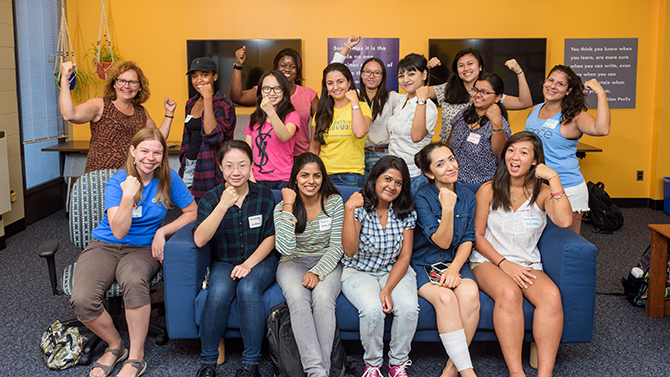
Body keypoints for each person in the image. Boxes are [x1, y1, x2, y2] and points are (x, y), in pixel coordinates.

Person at [69, 127, 197, 377]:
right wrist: (128, 197)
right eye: (145, 151)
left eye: (157, 152)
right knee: (82, 299)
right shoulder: (119, 181)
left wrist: (162, 232)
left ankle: (136, 357)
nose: (151, 157)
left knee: (134, 281)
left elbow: (192, 212)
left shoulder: (169, 179)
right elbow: (118, 231)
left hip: (142, 248)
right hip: (104, 245)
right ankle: (116, 345)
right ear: (133, 151)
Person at [470, 131, 573, 377]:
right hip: (489, 260)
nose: (515, 157)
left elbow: (565, 221)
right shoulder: (489, 189)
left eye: (524, 153)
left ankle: (544, 374)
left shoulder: (543, 192)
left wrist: (554, 178)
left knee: (551, 296)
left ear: (535, 161)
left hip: (527, 262)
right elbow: (477, 237)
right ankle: (517, 373)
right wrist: (504, 264)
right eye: (511, 151)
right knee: (508, 293)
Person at [193, 140, 276, 377]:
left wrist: (248, 264)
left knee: (248, 289)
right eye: (229, 166)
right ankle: (207, 362)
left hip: (260, 260)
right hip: (224, 260)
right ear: (220, 167)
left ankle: (251, 364)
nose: (236, 172)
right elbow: (199, 240)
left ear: (252, 166)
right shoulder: (211, 198)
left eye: (242, 165)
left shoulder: (264, 195)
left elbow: (271, 237)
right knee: (217, 294)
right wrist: (222, 206)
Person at [341, 156, 418, 377]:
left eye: (398, 182)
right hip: (358, 269)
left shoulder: (406, 211)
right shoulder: (358, 206)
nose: (392, 186)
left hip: (392, 269)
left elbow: (404, 257)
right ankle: (373, 365)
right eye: (387, 179)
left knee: (409, 310)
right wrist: (349, 210)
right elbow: (349, 251)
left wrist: (387, 289)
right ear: (374, 179)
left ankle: (397, 363)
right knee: (373, 310)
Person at [412, 143, 479, 377]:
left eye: (451, 159)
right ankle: (469, 372)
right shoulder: (421, 196)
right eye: (440, 164)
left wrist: (454, 268)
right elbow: (441, 241)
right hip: (424, 263)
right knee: (445, 297)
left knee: (470, 293)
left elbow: (468, 239)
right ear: (430, 173)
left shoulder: (468, 196)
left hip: (455, 261)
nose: (450, 167)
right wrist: (448, 208)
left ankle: (451, 369)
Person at [274, 152, 344, 377]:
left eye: (316, 176)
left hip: (326, 261)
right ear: (295, 178)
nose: (310, 181)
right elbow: (285, 248)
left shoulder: (334, 202)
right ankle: (317, 371)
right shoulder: (283, 208)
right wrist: (287, 205)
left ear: (323, 178)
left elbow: (337, 246)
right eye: (304, 175)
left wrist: (317, 271)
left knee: (323, 300)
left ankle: (320, 371)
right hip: (292, 262)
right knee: (299, 300)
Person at [524, 65, 611, 234]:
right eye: (550, 80)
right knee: (537, 239)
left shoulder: (575, 116)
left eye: (560, 84)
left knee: (567, 243)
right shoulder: (534, 110)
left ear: (569, 90)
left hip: (566, 187)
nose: (552, 86)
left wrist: (601, 93)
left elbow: (602, 129)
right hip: (536, 186)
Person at [59, 61, 176, 173]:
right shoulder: (100, 105)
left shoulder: (141, 112)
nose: (126, 86)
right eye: (122, 81)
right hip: (101, 177)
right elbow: (69, 114)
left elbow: (157, 139)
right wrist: (65, 79)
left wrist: (169, 113)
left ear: (140, 87)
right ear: (114, 84)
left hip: (131, 177)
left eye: (132, 82)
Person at [331, 36, 404, 177]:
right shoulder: (352, 96)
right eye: (367, 72)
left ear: (382, 77)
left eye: (377, 73)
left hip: (382, 156)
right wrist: (347, 47)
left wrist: (427, 69)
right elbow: (332, 72)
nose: (372, 76)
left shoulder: (393, 98)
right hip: (355, 155)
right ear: (361, 75)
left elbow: (415, 93)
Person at [426, 48, 531, 143]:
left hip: (479, 155)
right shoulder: (446, 89)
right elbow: (418, 91)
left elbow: (525, 103)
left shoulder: (490, 94)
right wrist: (426, 68)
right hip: (448, 151)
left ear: (480, 67)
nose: (466, 68)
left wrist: (519, 72)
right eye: (461, 65)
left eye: (470, 63)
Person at [231, 47, 318, 157]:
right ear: (276, 68)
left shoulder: (309, 95)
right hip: (272, 157)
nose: (287, 69)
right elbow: (237, 97)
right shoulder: (265, 91)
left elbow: (321, 125)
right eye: (283, 66)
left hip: (301, 156)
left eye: (293, 67)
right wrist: (238, 66)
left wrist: (312, 153)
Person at [180, 57, 236, 202]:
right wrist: (184, 162)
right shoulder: (190, 103)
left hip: (210, 168)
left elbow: (213, 136)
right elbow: (187, 138)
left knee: (208, 211)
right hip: (189, 165)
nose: (199, 80)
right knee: (189, 212)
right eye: (195, 76)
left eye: (204, 75)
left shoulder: (224, 104)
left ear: (215, 76)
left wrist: (207, 98)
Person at [309, 63, 372, 187]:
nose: (335, 87)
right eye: (330, 83)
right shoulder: (321, 112)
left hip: (351, 176)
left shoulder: (362, 107)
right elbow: (314, 147)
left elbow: (359, 132)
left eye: (340, 81)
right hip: (324, 176)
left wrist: (354, 100)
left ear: (349, 82)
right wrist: (312, 173)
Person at [387, 53, 438, 193]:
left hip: (415, 175)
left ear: (423, 75)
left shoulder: (428, 107)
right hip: (396, 173)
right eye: (401, 75)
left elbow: (416, 136)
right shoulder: (402, 101)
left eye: (411, 74)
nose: (405, 80)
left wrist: (421, 100)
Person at [449, 73, 512, 184]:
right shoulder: (462, 114)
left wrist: (496, 122)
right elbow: (449, 143)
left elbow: (500, 153)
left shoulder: (499, 123)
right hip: (452, 181)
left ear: (497, 97)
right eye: (476, 90)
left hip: (481, 185)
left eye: (485, 92)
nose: (478, 95)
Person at [244, 70, 300, 189]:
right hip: (258, 179)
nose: (271, 93)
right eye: (266, 89)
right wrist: (250, 175)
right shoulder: (254, 118)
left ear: (284, 91)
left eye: (277, 88)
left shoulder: (292, 115)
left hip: (284, 179)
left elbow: (284, 136)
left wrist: (271, 111)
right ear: (261, 92)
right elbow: (245, 150)